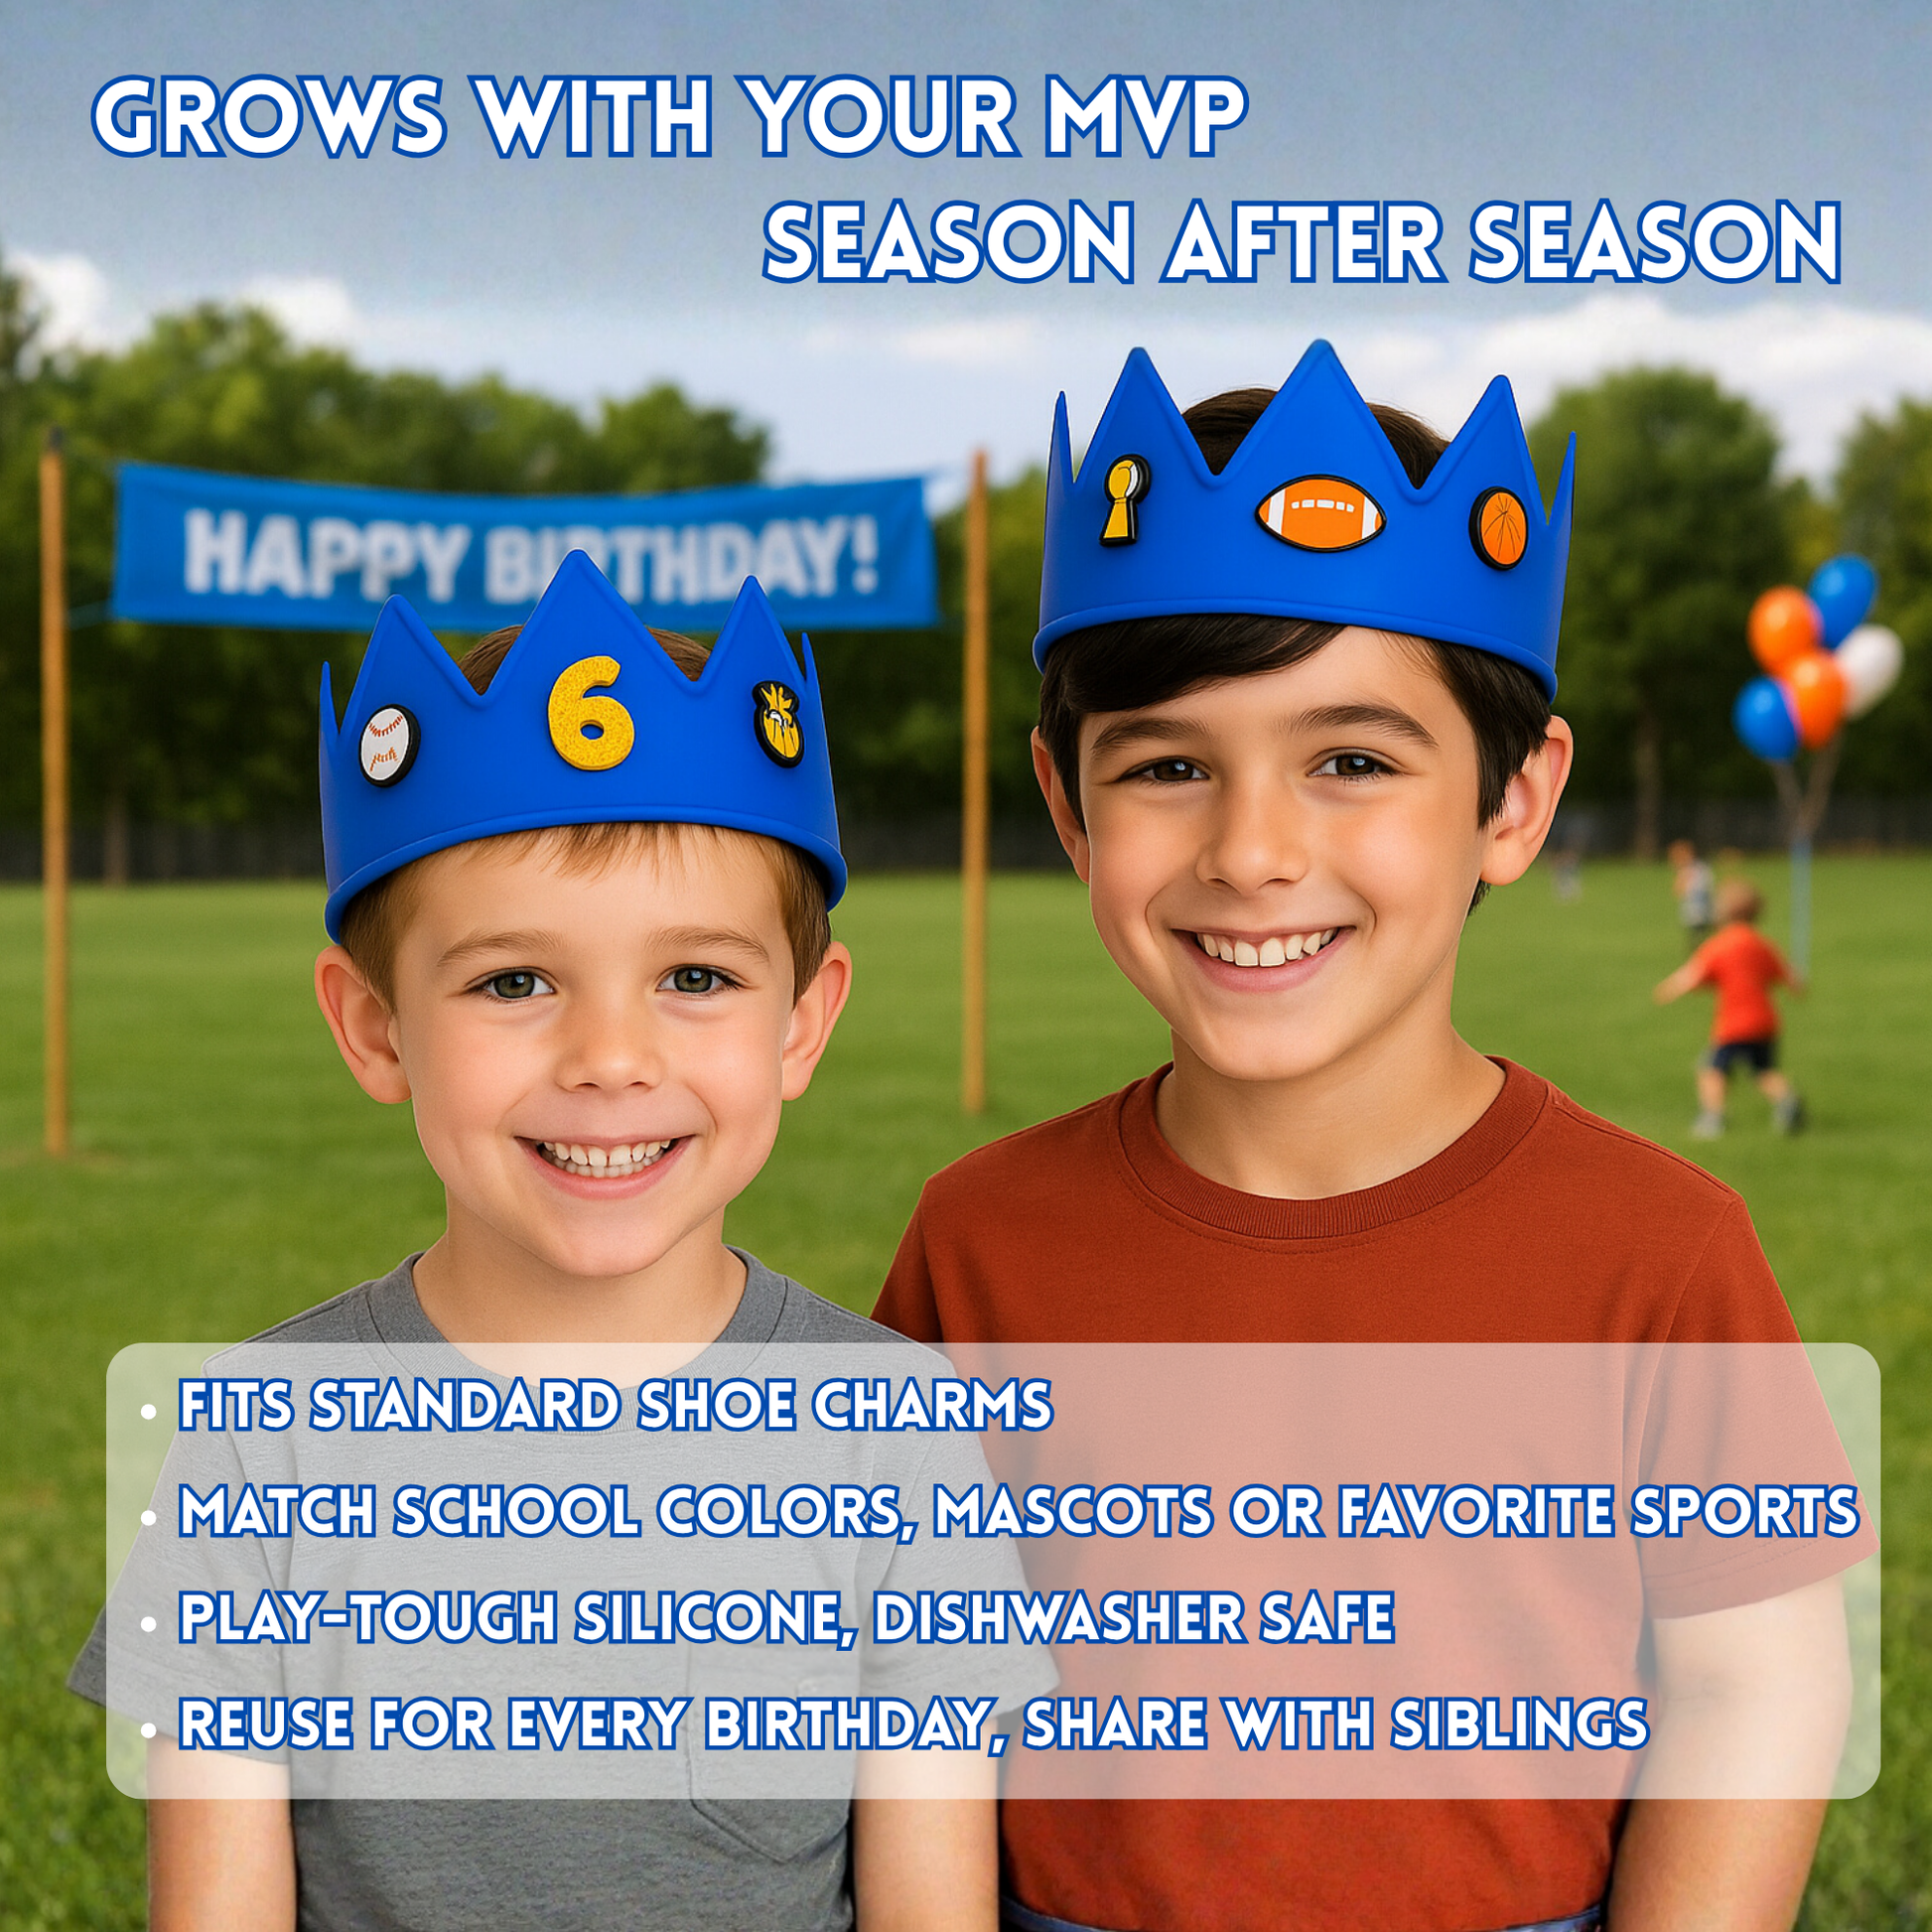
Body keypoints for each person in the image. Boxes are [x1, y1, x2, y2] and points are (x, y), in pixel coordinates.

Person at [875, 345, 1867, 1932]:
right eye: (1167, 765)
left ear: (1510, 802)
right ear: (1067, 808)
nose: (1254, 849)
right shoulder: (978, 1237)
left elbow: (1757, 1685)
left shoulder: (1661, 1250)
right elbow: (916, 1698)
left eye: (1350, 760)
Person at [71, 555, 1046, 1931]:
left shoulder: (896, 1437)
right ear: (373, 1025)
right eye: (514, 980)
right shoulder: (256, 1446)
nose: (607, 1057)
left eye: (695, 977)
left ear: (801, 1022)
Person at [1655, 877, 1805, 1139]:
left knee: (1711, 1070)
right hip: (1765, 1022)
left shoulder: (1719, 945)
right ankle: (1787, 1100)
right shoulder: (1762, 944)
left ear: (1723, 912)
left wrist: (1667, 990)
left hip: (1734, 1024)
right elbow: (1791, 980)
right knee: (1764, 1071)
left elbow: (1692, 976)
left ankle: (1713, 1117)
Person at [1669, 838, 1717, 947]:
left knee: (1699, 934)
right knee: (1698, 935)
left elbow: (1679, 889)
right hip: (1696, 907)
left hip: (1698, 908)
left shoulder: (1696, 869)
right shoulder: (1698, 868)